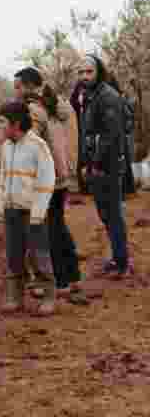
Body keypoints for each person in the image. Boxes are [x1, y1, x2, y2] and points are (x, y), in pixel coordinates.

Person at [13, 68, 87, 304]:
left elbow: (29, 147)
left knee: (45, 233)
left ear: (27, 86)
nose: (15, 92)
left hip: (44, 179)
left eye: (17, 87)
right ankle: (71, 278)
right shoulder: (57, 104)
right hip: (61, 176)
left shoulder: (33, 110)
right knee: (58, 227)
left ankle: (57, 282)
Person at [0, 100, 57, 314]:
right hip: (12, 209)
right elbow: (3, 179)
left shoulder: (38, 146)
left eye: (2, 122)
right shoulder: (6, 147)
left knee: (39, 253)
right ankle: (15, 296)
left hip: (32, 212)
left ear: (16, 123)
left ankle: (48, 295)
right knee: (13, 254)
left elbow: (47, 180)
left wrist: (38, 212)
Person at [77, 55, 132, 277]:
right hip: (97, 163)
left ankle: (122, 262)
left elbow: (109, 136)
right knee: (106, 213)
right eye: (81, 72)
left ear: (99, 71)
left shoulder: (107, 96)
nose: (84, 76)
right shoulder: (90, 95)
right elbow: (88, 133)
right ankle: (119, 258)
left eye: (89, 72)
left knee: (112, 213)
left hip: (107, 165)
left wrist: (95, 164)